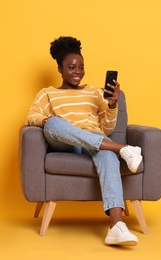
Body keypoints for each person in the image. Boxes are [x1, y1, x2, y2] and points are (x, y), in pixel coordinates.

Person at [26, 36, 142, 246]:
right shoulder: (47, 93)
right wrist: (47, 119)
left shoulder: (95, 93)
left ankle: (116, 226)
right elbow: (32, 117)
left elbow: (106, 128)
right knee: (52, 124)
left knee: (105, 151)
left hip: (94, 141)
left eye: (81, 67)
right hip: (64, 143)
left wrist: (112, 105)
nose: (77, 71)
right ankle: (123, 149)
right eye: (71, 67)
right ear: (60, 69)